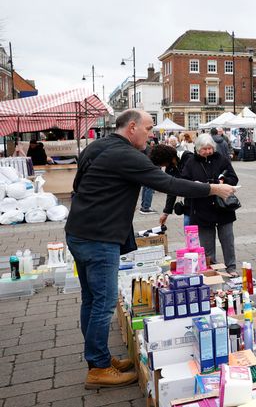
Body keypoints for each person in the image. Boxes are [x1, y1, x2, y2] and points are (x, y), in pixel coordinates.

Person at [65, 109, 235, 389]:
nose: (151, 133)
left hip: (79, 231)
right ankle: (98, 367)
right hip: (99, 236)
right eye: (148, 128)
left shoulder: (96, 146)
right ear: (132, 127)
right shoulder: (126, 155)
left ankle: (99, 357)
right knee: (104, 303)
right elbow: (166, 182)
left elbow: (78, 185)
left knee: (91, 299)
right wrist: (212, 189)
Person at [182, 133, 239, 273]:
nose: (208, 151)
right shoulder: (191, 162)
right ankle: (211, 268)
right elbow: (184, 183)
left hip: (223, 207)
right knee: (207, 244)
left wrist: (223, 182)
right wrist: (195, 186)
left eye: (210, 148)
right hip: (202, 209)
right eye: (204, 149)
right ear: (197, 149)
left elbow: (233, 178)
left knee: (227, 241)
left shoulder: (221, 159)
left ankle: (231, 268)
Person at [149, 144, 194, 227]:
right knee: (189, 231)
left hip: (200, 203)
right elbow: (171, 189)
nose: (162, 166)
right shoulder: (170, 168)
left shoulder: (189, 158)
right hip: (188, 204)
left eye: (161, 164)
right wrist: (166, 212)